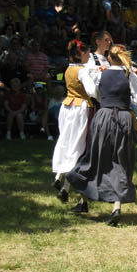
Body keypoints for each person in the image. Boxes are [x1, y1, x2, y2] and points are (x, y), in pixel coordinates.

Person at [66, 46, 137, 226]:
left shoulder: (101, 74)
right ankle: (116, 207)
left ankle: (83, 201)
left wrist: (95, 70)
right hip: (123, 118)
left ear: (109, 57)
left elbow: (93, 92)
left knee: (95, 157)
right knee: (120, 159)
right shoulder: (129, 75)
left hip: (103, 116)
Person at [52, 40, 98, 203]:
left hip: (67, 106)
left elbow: (84, 70)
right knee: (79, 147)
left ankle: (60, 178)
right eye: (86, 53)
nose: (88, 56)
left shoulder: (68, 69)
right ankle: (66, 183)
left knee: (66, 141)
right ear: (80, 54)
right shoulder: (82, 71)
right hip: (80, 109)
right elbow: (92, 91)